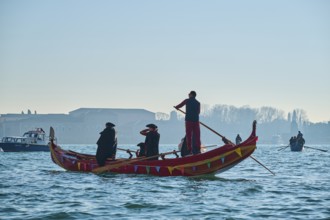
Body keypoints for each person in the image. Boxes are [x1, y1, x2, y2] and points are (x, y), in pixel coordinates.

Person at [174, 90, 201, 155]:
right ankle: (198, 150)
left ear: (191, 95)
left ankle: (190, 150)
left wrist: (176, 107)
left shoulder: (187, 100)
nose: (188, 95)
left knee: (189, 135)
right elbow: (198, 112)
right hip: (196, 121)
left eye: (189, 94)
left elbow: (180, 105)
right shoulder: (198, 103)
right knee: (197, 135)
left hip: (189, 121)